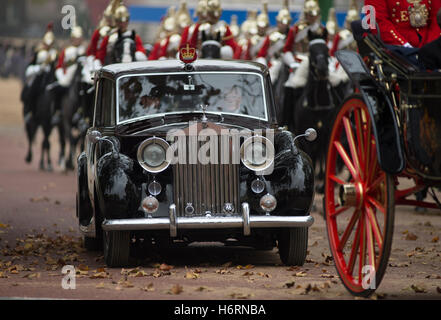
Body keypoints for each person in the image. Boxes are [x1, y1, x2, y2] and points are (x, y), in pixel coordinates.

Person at [364, 0, 441, 48]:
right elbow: (378, 21)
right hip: (395, 48)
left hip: (429, 40)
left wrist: (431, 45)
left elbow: (437, 16)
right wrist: (405, 46)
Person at [96, 1, 147, 65]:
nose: (122, 24)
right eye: (120, 21)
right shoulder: (109, 37)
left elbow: (141, 52)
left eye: (125, 21)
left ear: (128, 21)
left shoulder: (134, 37)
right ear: (116, 21)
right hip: (112, 66)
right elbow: (101, 55)